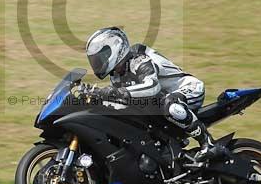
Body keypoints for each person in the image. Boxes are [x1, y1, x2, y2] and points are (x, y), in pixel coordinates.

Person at [83, 27, 223, 161]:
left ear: (115, 49)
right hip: (161, 100)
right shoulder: (117, 74)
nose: (98, 63)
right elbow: (124, 102)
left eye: (101, 56)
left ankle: (208, 143)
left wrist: (116, 92)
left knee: (170, 105)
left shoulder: (139, 59)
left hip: (189, 89)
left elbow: (152, 87)